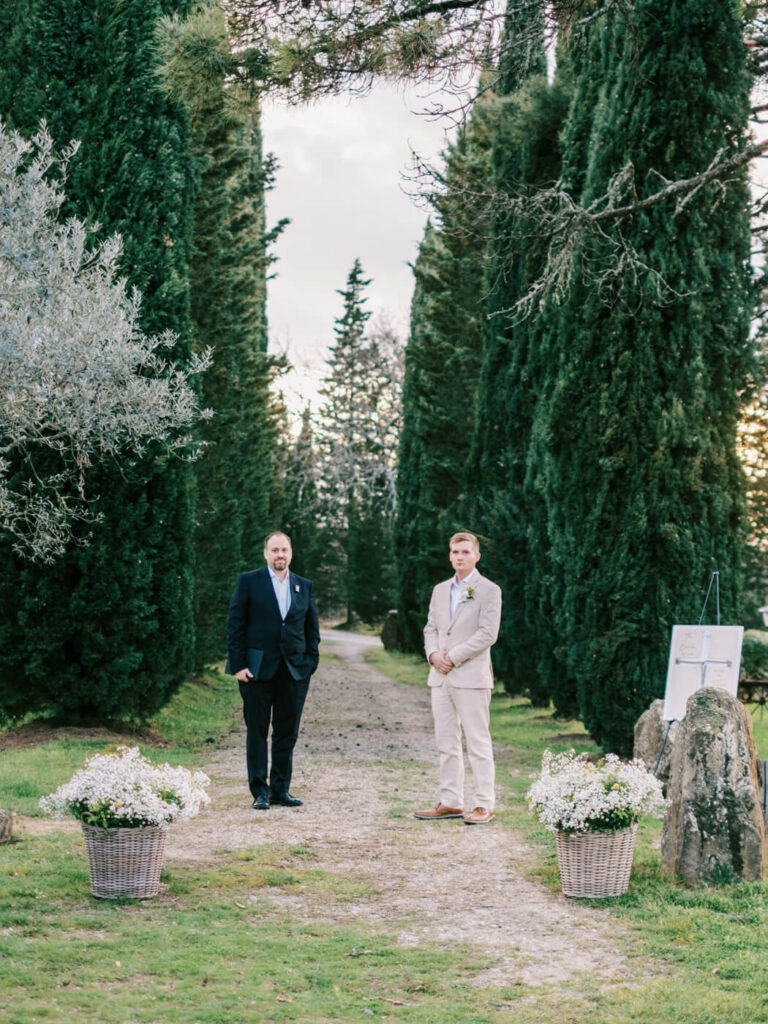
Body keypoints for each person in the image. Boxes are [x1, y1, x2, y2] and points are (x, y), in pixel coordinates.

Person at [226, 531, 320, 810]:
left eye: (284, 550)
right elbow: (235, 625)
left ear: (291, 553)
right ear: (266, 553)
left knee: (286, 733)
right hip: (256, 672)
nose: (280, 555)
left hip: (294, 673)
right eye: (275, 550)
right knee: (257, 731)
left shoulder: (304, 585)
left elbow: (311, 629)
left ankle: (281, 790)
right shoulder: (248, 582)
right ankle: (260, 792)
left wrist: (310, 662)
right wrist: (239, 665)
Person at [414, 531, 502, 825]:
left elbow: (488, 634)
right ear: (449, 555)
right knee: (446, 742)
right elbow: (430, 627)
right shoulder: (440, 590)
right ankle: (451, 801)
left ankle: (483, 804)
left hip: (471, 676)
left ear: (476, 556)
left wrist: (453, 655)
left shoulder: (489, 590)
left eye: (465, 552)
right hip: (440, 676)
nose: (459, 557)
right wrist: (433, 655)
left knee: (477, 741)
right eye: (455, 552)